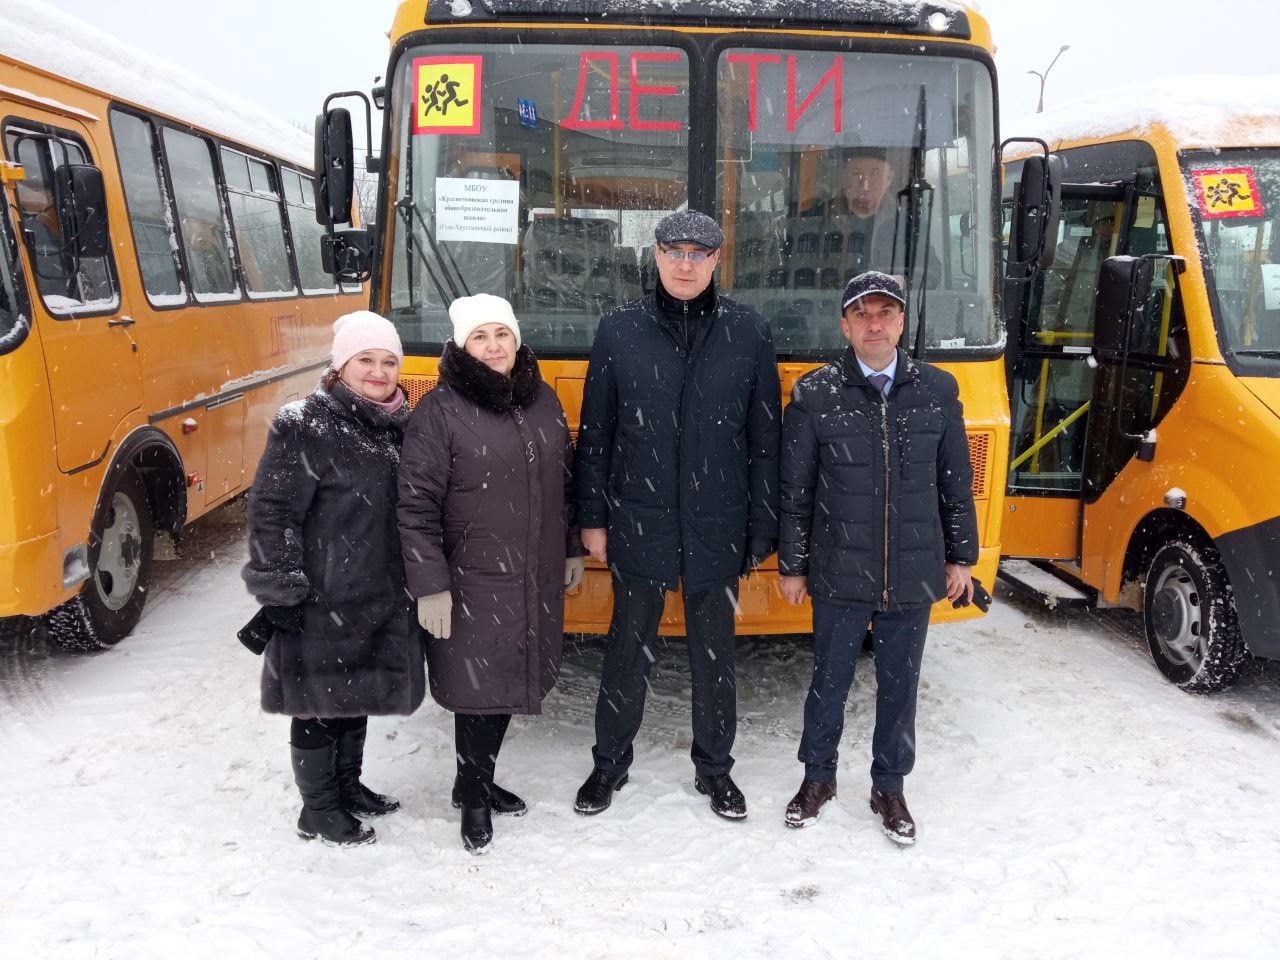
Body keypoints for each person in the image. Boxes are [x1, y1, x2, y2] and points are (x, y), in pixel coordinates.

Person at [573, 210, 781, 821]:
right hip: (639, 516)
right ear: (656, 258)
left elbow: (764, 440)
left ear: (717, 261)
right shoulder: (619, 331)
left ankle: (715, 770)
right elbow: (597, 435)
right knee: (626, 647)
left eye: (699, 253)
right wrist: (593, 518)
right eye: (673, 251)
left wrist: (761, 525)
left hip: (720, 519)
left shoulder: (749, 332)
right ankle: (609, 764)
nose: (685, 263)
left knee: (714, 654)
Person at [777, 271, 978, 843]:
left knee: (899, 686)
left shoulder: (937, 391)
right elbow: (796, 490)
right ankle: (818, 778)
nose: (874, 324)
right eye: (862, 314)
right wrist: (792, 564)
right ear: (844, 325)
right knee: (829, 682)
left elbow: (955, 483)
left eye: (885, 313)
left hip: (913, 571)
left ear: (901, 323)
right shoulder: (816, 395)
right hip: (840, 570)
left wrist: (961, 557)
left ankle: (889, 786)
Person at [398, 293, 585, 855]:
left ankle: (470, 779)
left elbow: (565, 484)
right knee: (478, 689)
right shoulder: (440, 411)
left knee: (508, 680)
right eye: (480, 336)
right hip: (471, 577)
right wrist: (429, 584)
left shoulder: (542, 400)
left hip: (533, 572)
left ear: (516, 339)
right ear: (461, 345)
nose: (494, 346)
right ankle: (474, 796)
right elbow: (414, 506)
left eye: (501, 334)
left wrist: (571, 547)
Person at [242, 310, 425, 847]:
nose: (378, 371)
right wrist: (280, 586)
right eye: (365, 360)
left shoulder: (398, 424)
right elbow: (273, 510)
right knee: (320, 704)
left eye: (388, 361)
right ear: (340, 366)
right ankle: (318, 810)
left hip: (380, 594)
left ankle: (349, 787)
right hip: (321, 597)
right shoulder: (308, 423)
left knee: (355, 695)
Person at [833, 147, 940, 288]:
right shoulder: (817, 219)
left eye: (875, 173)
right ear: (845, 177)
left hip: (889, 307)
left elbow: (931, 273)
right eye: (857, 173)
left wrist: (904, 282)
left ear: (889, 178)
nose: (865, 184)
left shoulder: (909, 224)